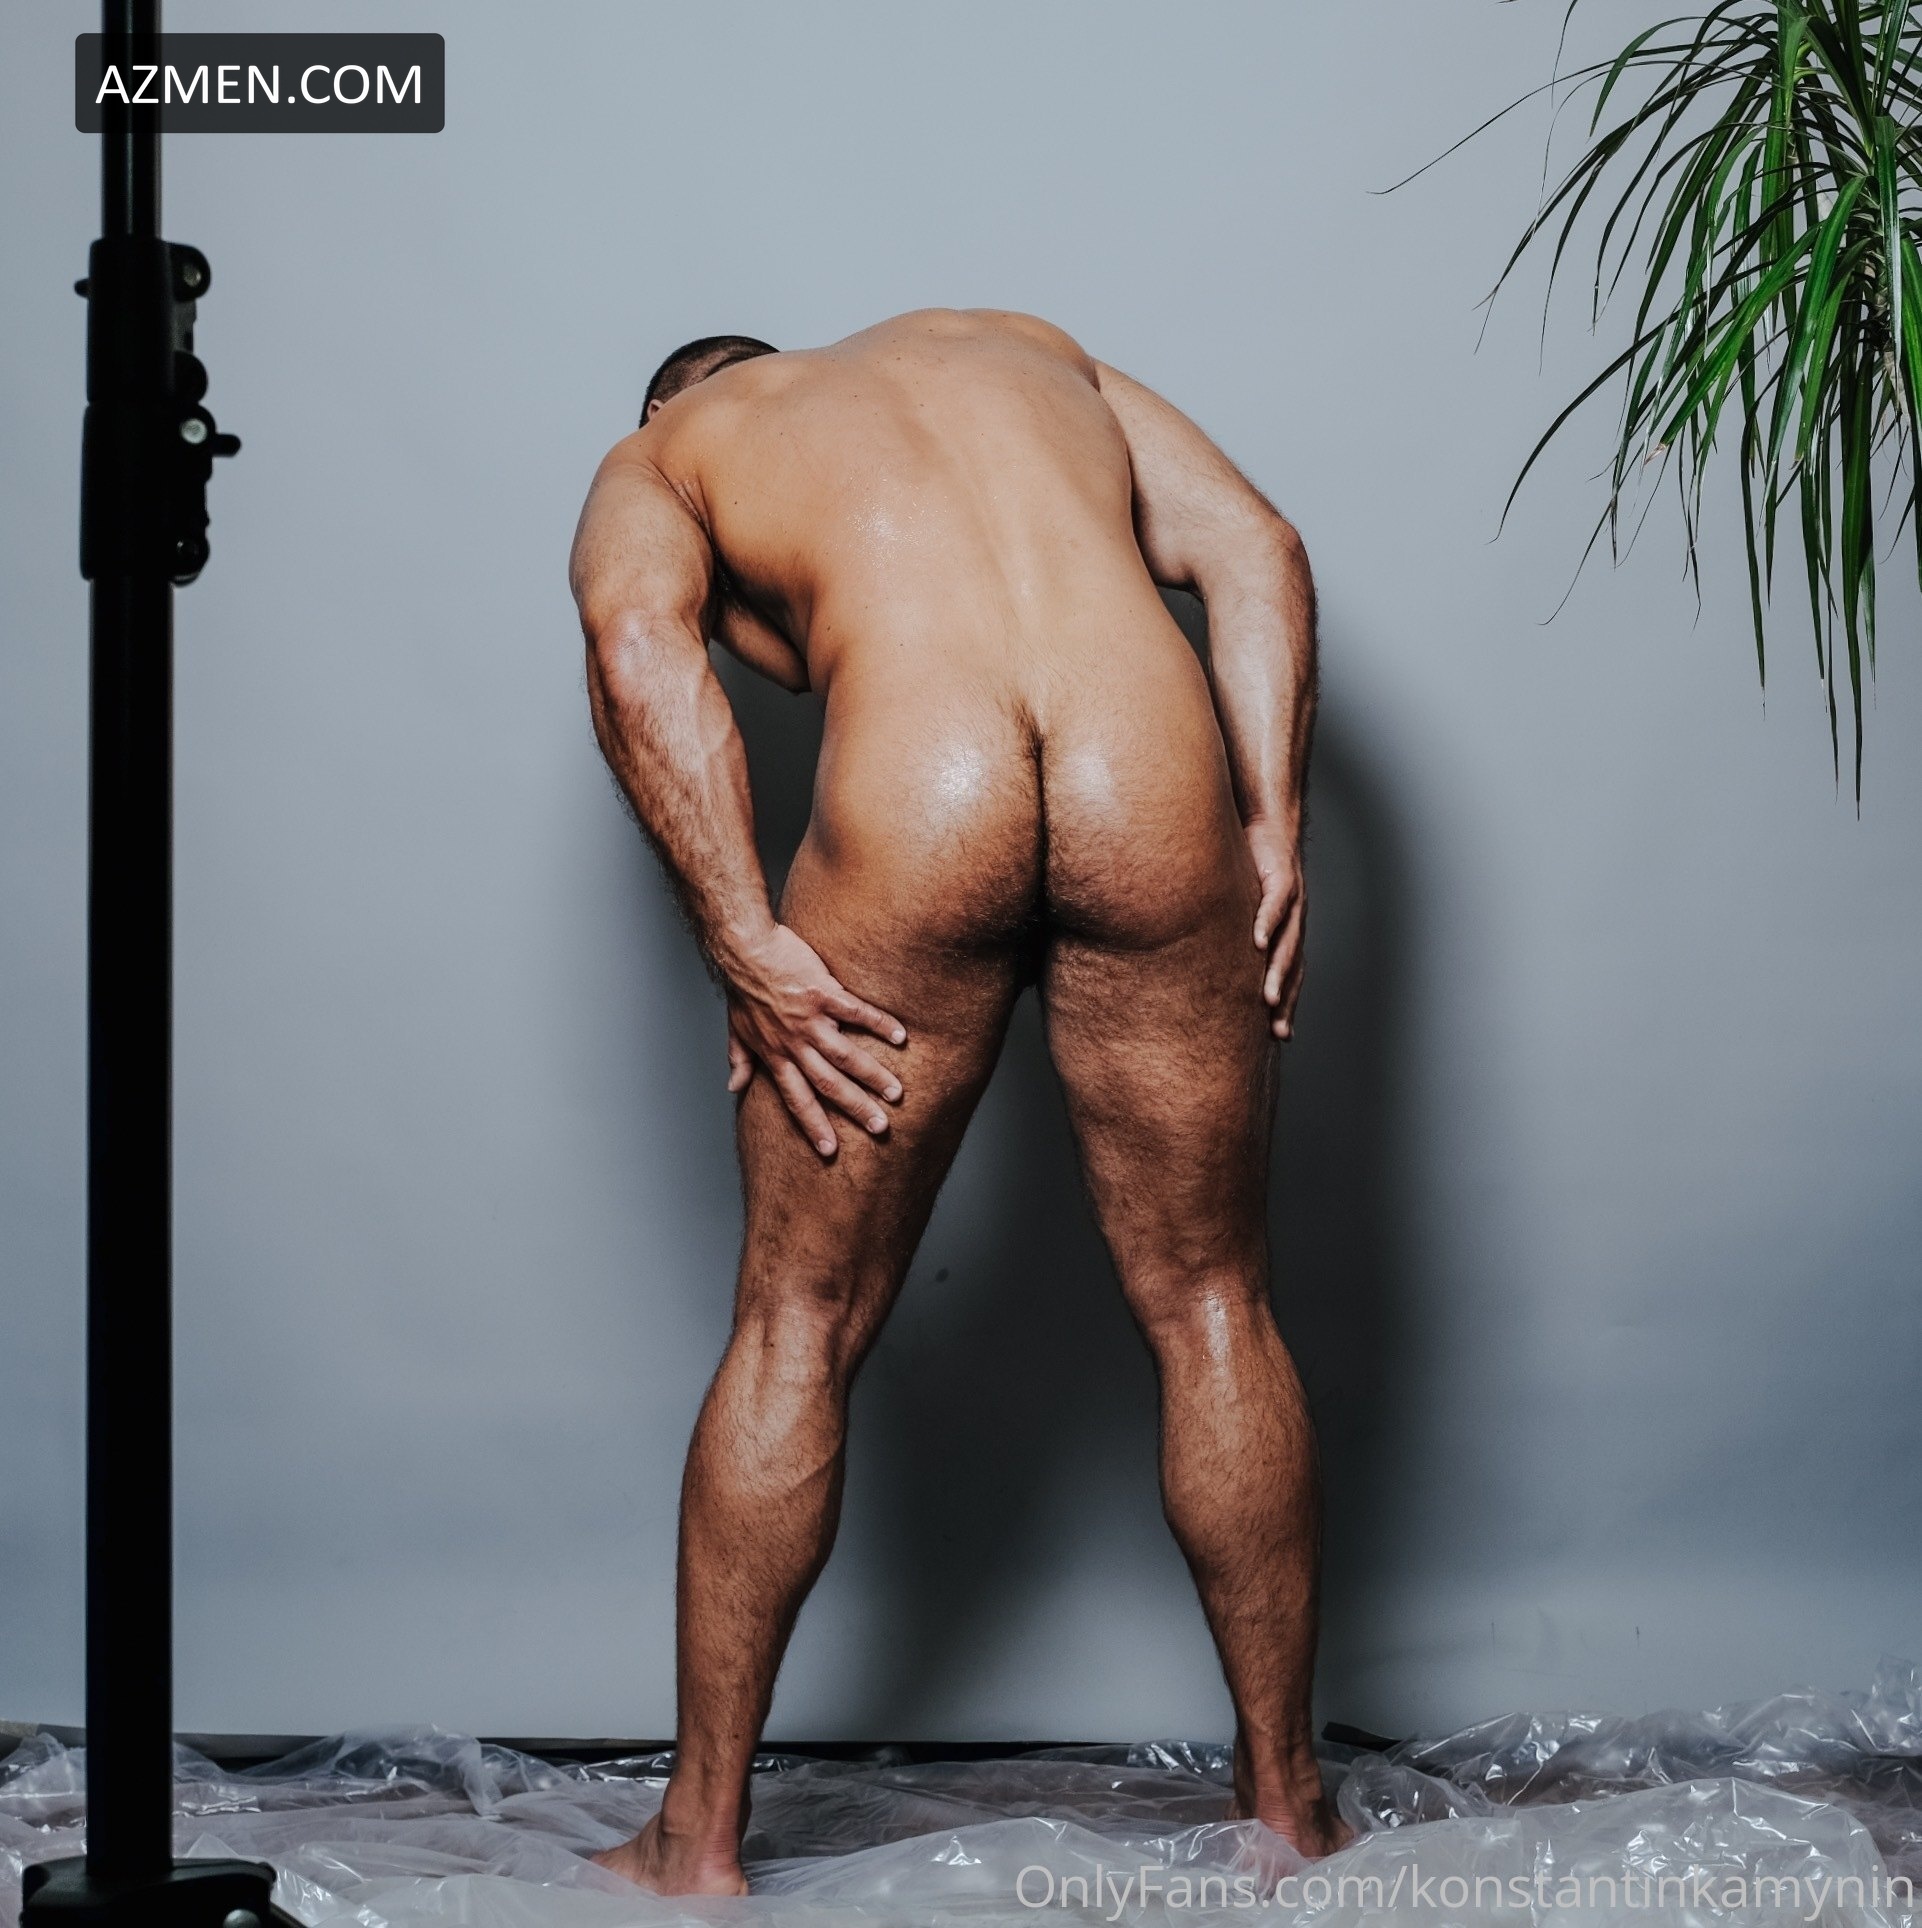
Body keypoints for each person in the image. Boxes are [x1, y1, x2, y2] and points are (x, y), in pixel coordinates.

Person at [568, 309, 1345, 1893]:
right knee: (1212, 1303)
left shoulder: (664, 450)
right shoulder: (1016, 348)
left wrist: (742, 938)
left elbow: (638, 651)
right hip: (1150, 771)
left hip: (920, 796)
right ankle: (1286, 1810)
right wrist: (1271, 820)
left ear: (675, 401)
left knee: (796, 1325)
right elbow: (1255, 547)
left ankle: (695, 1844)